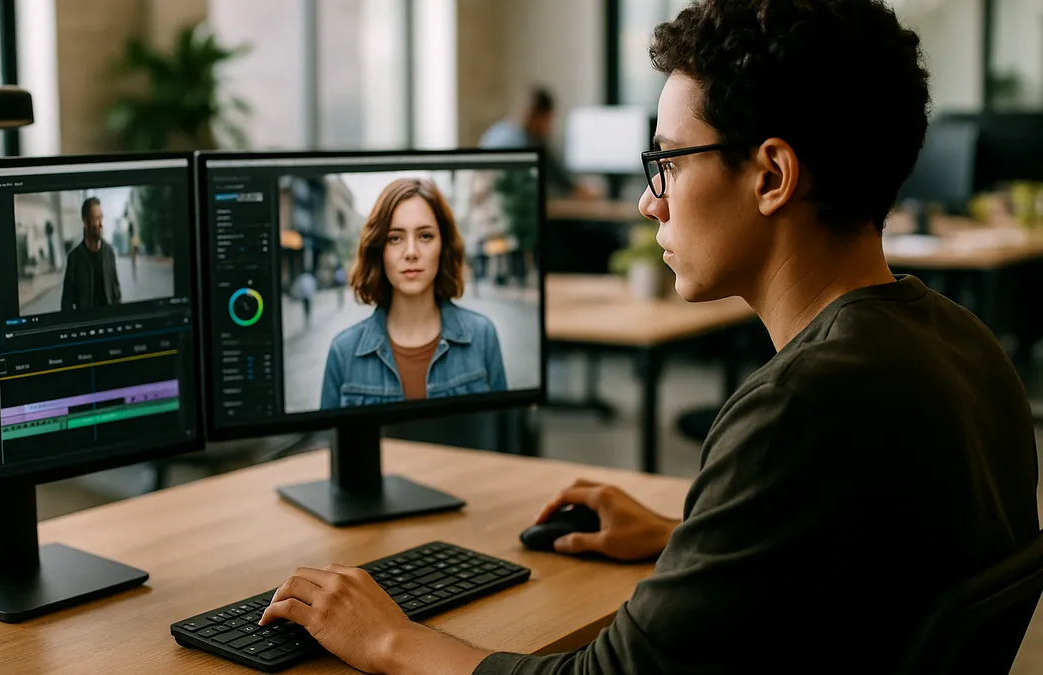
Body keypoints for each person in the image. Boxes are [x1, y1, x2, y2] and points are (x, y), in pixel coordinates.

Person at [259, 2, 1040, 674]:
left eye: (665, 160)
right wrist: (688, 539)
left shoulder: (802, 404)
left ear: (771, 176)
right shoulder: (961, 343)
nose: (647, 202)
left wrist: (390, 636)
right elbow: (872, 559)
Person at [318, 178, 507, 409]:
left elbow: (502, 435)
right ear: (379, 250)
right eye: (395, 238)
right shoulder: (343, 351)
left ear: (443, 246)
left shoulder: (482, 336)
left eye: (425, 236)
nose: (411, 252)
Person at [479, 86, 598, 200]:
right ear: (541, 116)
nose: (549, 125)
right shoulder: (524, 143)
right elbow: (555, 176)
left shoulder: (495, 132)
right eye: (549, 119)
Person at [60, 197, 122, 312]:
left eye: (101, 218)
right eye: (97, 218)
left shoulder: (109, 253)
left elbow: (116, 293)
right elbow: (66, 303)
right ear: (85, 221)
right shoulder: (74, 258)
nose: (101, 224)